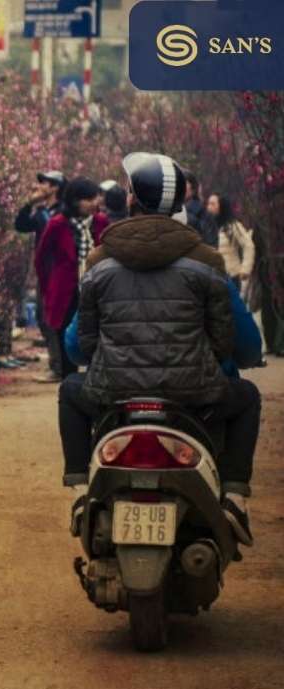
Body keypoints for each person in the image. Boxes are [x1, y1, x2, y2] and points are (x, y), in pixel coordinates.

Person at [58, 152, 260, 546]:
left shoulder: (99, 264)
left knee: (69, 390)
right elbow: (234, 348)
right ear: (181, 204)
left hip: (113, 397)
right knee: (247, 396)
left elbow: (79, 349)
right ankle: (234, 498)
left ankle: (81, 493)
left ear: (131, 200)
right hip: (194, 399)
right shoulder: (208, 264)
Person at [34, 177, 108, 381]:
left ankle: (94, 382)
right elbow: (41, 259)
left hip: (97, 288)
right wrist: (48, 288)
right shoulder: (58, 224)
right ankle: (68, 383)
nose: (95, 202)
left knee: (97, 336)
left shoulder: (101, 222)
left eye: (96, 197)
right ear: (75, 200)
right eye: (89, 198)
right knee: (66, 336)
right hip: (66, 292)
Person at [15, 170, 66, 378]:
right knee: (42, 317)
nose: (40, 186)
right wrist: (29, 204)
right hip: (44, 273)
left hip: (59, 272)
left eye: (45, 183)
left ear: (55, 187)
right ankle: (58, 365)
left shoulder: (62, 212)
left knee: (54, 318)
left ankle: (60, 367)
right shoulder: (41, 211)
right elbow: (20, 225)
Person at [208, 193, 256, 292]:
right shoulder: (208, 227)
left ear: (221, 206)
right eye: (208, 204)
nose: (209, 207)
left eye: (213, 204)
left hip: (231, 277)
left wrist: (245, 269)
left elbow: (248, 245)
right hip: (213, 279)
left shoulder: (232, 226)